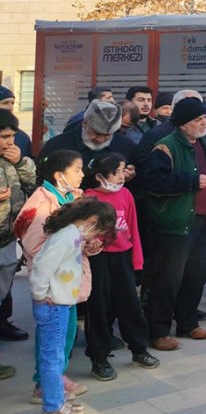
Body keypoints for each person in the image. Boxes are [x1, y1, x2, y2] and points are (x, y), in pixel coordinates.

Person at [141, 97, 206, 348]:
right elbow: (153, 183)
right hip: (175, 222)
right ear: (182, 124)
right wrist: (190, 182)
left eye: (204, 118)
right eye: (197, 120)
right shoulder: (165, 147)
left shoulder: (204, 144)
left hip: (200, 222)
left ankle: (187, 322)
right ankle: (158, 330)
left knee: (197, 275)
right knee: (168, 279)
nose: (204, 123)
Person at [14, 150, 90, 404]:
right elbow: (36, 250)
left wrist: (89, 243)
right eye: (77, 170)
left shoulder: (69, 196)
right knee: (52, 340)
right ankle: (45, 386)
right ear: (60, 175)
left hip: (65, 283)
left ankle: (56, 377)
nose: (82, 175)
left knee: (66, 333)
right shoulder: (42, 204)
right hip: (52, 287)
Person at [30, 196, 116, 414]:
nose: (95, 238)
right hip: (53, 305)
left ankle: (56, 401)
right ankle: (53, 406)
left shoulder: (72, 235)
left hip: (60, 303)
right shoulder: (67, 236)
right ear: (92, 222)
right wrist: (40, 295)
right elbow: (42, 265)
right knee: (53, 359)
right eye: (98, 233)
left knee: (55, 357)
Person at [82, 153, 159, 380]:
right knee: (98, 308)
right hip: (98, 259)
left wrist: (137, 260)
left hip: (123, 257)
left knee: (130, 305)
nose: (120, 177)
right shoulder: (88, 199)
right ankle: (99, 357)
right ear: (99, 176)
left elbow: (133, 228)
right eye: (115, 173)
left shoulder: (126, 195)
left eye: (123, 171)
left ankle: (139, 349)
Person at [0, 109, 36, 351]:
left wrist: (20, 162)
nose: (10, 141)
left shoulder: (14, 157)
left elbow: (32, 182)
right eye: (3, 136)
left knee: (2, 291)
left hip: (7, 238)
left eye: (12, 135)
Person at [40, 100, 137, 171]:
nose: (101, 139)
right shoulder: (58, 146)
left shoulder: (126, 146)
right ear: (84, 123)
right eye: (97, 133)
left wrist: (131, 176)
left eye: (108, 135)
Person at [0, 87, 34, 157]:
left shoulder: (22, 137)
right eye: (5, 103)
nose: (10, 107)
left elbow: (31, 162)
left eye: (12, 103)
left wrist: (19, 162)